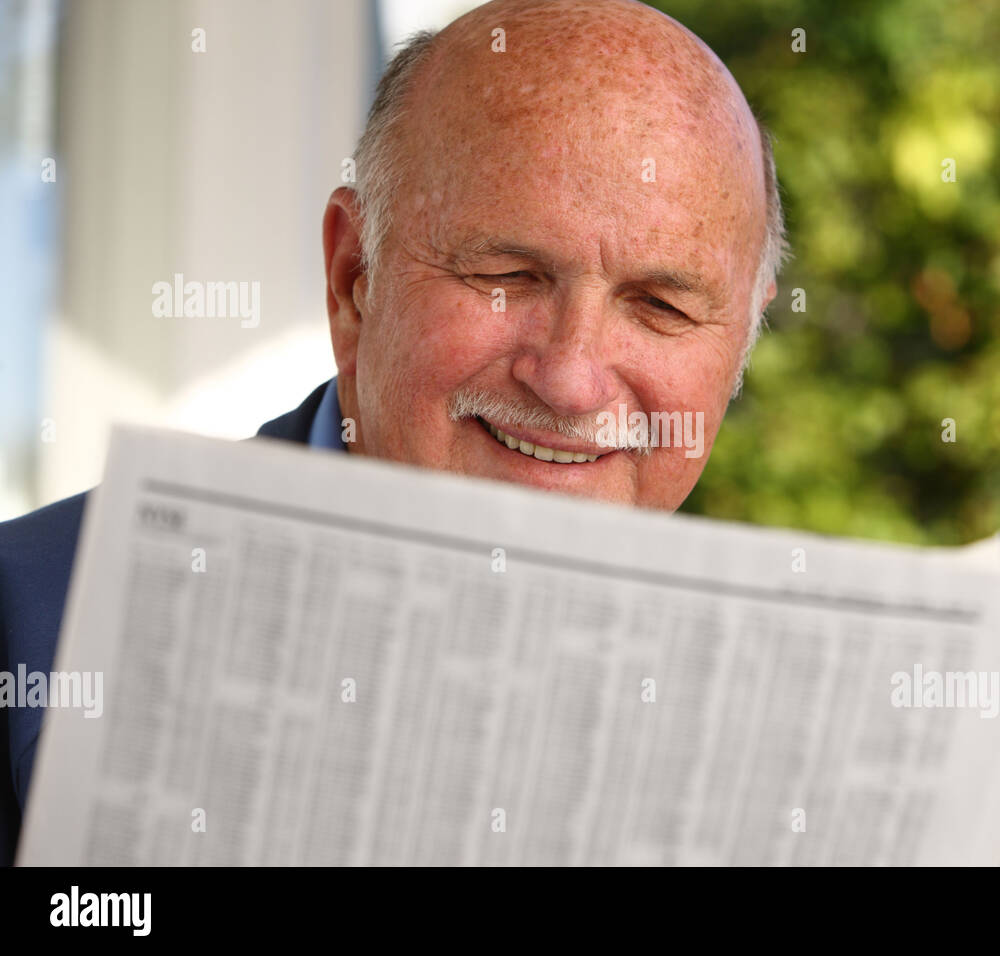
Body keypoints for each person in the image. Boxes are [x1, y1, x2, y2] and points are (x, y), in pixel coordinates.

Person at [0, 0, 788, 864]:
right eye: (507, 276)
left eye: (662, 307)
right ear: (354, 280)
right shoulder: (33, 627)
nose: (570, 378)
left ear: (741, 345)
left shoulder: (793, 714)